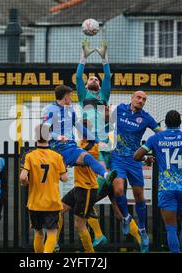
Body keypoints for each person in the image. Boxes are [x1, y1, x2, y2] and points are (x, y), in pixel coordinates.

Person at [134, 110, 182, 253]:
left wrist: (147, 159)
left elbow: (136, 156)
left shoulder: (156, 138)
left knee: (171, 228)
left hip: (166, 188)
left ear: (166, 123)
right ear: (180, 122)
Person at [110, 90, 162, 253]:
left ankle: (142, 229)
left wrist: (148, 154)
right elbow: (101, 114)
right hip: (117, 157)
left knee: (139, 196)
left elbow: (160, 135)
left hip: (134, 159)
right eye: (138, 97)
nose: (141, 101)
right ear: (131, 98)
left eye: (144, 99)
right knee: (118, 189)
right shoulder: (118, 109)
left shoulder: (146, 118)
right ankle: (126, 217)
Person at [42, 85, 117, 184]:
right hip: (56, 148)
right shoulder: (50, 109)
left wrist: (96, 141)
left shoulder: (70, 110)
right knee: (59, 179)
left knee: (87, 157)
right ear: (65, 97)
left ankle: (106, 175)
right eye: (70, 96)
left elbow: (80, 127)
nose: (71, 98)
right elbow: (44, 131)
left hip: (70, 147)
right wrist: (58, 136)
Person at [20, 124, 68, 253]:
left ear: (36, 136)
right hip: (52, 202)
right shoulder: (57, 156)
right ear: (48, 137)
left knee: (38, 233)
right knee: (52, 233)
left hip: (35, 203)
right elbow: (65, 178)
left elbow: (23, 177)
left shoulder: (29, 156)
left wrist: (26, 182)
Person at [76, 39, 111, 167]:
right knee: (99, 167)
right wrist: (83, 57)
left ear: (100, 86)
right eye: (91, 79)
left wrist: (104, 58)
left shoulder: (104, 95)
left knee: (105, 170)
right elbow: (78, 77)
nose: (94, 80)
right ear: (86, 85)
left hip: (104, 137)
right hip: (89, 136)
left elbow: (107, 77)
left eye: (96, 79)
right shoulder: (83, 94)